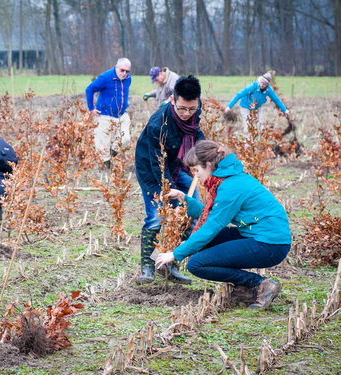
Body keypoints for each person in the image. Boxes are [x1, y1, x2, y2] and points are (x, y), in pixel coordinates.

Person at [155, 140, 291, 309]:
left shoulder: (230, 186)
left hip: (270, 244)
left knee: (196, 264)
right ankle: (245, 288)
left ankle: (259, 284)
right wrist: (183, 198)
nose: (195, 175)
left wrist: (175, 254)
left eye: (197, 170)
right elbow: (211, 214)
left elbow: (212, 226)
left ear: (209, 164)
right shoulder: (228, 179)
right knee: (203, 245)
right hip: (255, 234)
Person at [135, 75, 205, 284]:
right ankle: (148, 267)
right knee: (156, 216)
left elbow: (196, 132)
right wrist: (171, 193)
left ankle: (170, 264)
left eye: (191, 109)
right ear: (172, 100)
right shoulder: (159, 124)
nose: (187, 114)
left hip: (175, 164)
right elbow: (158, 164)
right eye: (182, 108)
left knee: (192, 210)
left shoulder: (194, 110)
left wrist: (202, 152)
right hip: (151, 169)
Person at [85, 58, 132, 168]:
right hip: (105, 115)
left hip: (122, 115)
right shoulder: (105, 77)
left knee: (125, 138)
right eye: (122, 70)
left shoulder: (128, 79)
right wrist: (91, 108)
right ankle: (106, 167)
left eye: (127, 71)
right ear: (116, 67)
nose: (124, 73)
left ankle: (113, 152)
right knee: (103, 144)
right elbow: (89, 89)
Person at [224, 72, 289, 134]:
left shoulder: (269, 90)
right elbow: (239, 95)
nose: (262, 85)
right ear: (260, 81)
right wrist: (229, 107)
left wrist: (285, 110)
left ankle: (259, 143)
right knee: (247, 127)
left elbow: (276, 99)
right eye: (261, 83)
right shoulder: (253, 86)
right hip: (245, 106)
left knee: (261, 126)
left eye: (264, 84)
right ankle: (247, 144)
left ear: (267, 85)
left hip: (257, 107)